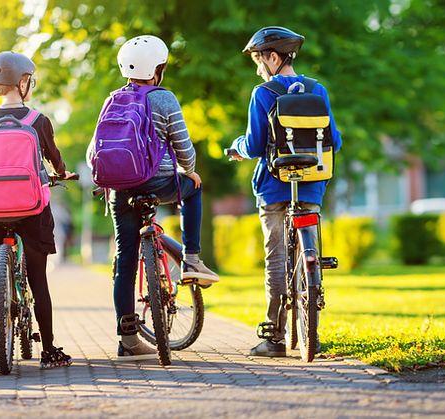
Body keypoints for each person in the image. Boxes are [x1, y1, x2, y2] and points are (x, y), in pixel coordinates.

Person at [86, 35, 219, 361]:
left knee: (126, 261)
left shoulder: (112, 99)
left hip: (119, 190)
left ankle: (127, 338)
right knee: (195, 188)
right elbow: (184, 149)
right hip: (159, 183)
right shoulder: (165, 99)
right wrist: (190, 170)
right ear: (158, 69)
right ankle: (191, 257)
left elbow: (93, 152)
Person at [229, 26, 342, 357]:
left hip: (274, 187)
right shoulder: (317, 89)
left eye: (258, 59)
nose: (257, 67)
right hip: (312, 185)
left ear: (273, 57)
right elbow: (334, 140)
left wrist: (234, 148)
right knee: (311, 249)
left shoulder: (263, 93)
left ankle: (275, 337)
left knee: (276, 258)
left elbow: (252, 145)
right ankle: (313, 328)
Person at [0, 51, 73, 369]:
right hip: (32, 208)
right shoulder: (37, 120)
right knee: (38, 279)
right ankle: (49, 350)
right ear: (24, 81)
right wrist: (61, 172)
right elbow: (54, 158)